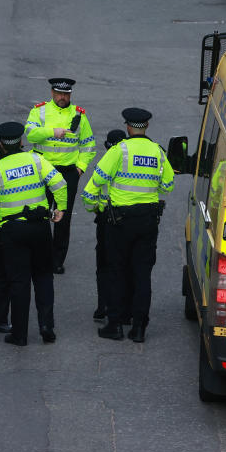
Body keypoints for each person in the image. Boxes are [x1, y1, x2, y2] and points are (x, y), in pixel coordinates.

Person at [82, 108, 175, 343]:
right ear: (146, 127)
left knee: (116, 271)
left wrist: (94, 207)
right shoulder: (157, 152)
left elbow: (92, 187)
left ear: (128, 127)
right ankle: (139, 328)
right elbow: (168, 185)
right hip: (148, 221)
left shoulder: (118, 151)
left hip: (120, 222)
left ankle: (115, 324)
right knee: (142, 274)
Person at [0, 122, 67, 346]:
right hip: (39, 227)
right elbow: (59, 183)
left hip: (11, 231)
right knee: (44, 277)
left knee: (19, 282)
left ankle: (19, 334)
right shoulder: (36, 160)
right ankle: (47, 326)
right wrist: (60, 208)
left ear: (1, 145)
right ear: (21, 142)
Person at [24, 78, 96, 274]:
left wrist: (80, 169)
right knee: (39, 215)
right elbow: (30, 135)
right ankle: (39, 257)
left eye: (66, 94)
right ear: (52, 93)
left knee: (63, 219)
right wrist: (51, 132)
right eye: (59, 94)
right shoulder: (39, 111)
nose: (63, 97)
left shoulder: (79, 115)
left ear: (70, 95)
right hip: (43, 171)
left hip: (67, 173)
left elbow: (88, 145)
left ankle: (57, 260)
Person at [91, 129, 127, 321]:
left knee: (104, 265)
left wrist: (95, 209)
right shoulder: (130, 162)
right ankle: (124, 309)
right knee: (126, 264)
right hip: (130, 219)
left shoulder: (105, 163)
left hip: (107, 219)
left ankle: (103, 306)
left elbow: (90, 193)